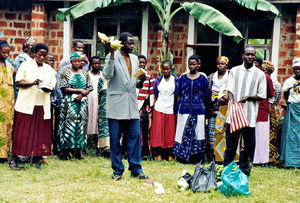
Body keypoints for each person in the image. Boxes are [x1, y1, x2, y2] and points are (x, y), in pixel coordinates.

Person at [103, 32, 147, 181]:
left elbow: (135, 82)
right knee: (115, 139)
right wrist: (111, 55)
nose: (132, 46)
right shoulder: (112, 56)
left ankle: (136, 168)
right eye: (129, 43)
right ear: (121, 43)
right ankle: (117, 170)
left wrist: (141, 80)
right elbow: (107, 75)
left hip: (132, 104)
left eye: (133, 43)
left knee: (134, 137)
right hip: (116, 104)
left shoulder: (135, 59)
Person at [11, 43, 56, 169]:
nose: (42, 57)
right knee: (21, 132)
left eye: (44, 55)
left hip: (41, 105)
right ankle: (14, 158)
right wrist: (32, 83)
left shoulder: (49, 69)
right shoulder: (25, 65)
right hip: (26, 105)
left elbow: (52, 85)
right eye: (39, 54)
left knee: (39, 133)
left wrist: (47, 88)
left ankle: (37, 159)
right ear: (34, 54)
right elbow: (18, 82)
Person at [224, 46, 266, 176]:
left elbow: (262, 95)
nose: (250, 57)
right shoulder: (235, 71)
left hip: (249, 117)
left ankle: (244, 170)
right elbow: (230, 90)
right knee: (231, 145)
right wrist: (233, 104)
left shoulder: (260, 74)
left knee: (248, 146)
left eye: (252, 55)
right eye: (247, 54)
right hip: (234, 115)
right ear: (243, 55)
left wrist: (248, 97)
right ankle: (226, 170)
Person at [173, 55, 209, 163]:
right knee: (182, 132)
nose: (191, 66)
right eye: (189, 64)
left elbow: (206, 95)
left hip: (199, 110)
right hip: (184, 110)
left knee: (198, 133)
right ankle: (182, 157)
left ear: (199, 65)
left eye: (194, 64)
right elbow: (178, 93)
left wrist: (207, 110)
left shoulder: (203, 78)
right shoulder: (183, 77)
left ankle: (196, 158)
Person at [57, 51, 93, 160]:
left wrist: (82, 94)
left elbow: (90, 87)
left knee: (81, 125)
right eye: (75, 61)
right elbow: (64, 88)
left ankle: (79, 151)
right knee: (68, 125)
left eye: (79, 61)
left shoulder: (85, 73)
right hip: (69, 104)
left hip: (82, 104)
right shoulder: (65, 73)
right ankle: (66, 151)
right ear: (71, 62)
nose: (77, 63)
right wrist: (79, 90)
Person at [150, 61, 178, 161]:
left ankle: (169, 154)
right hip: (159, 108)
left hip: (170, 109)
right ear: (161, 69)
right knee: (158, 133)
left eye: (168, 69)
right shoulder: (158, 80)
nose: (165, 71)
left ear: (171, 69)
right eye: (164, 69)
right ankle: (158, 154)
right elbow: (156, 93)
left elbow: (177, 93)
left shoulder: (175, 80)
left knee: (169, 133)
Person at [207, 56, 231, 162]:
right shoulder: (211, 77)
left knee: (224, 131)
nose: (220, 66)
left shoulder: (230, 76)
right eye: (218, 64)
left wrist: (226, 98)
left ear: (227, 65)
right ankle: (213, 156)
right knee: (212, 132)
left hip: (226, 107)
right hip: (214, 107)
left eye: (223, 64)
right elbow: (208, 93)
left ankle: (223, 156)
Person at [253, 58, 274, 166]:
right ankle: (252, 159)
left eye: (256, 65)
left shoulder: (265, 77)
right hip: (250, 110)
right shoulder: (249, 76)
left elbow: (271, 93)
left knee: (262, 136)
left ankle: (262, 160)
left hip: (262, 110)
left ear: (261, 67)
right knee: (251, 136)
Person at [87, 56, 110, 156]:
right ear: (91, 64)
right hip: (89, 99)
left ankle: (99, 145)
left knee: (99, 122)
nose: (96, 65)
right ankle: (88, 144)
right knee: (89, 120)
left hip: (100, 102)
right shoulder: (87, 74)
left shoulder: (102, 75)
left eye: (98, 63)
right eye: (94, 63)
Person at [280, 58, 300, 168]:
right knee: (291, 135)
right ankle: (291, 161)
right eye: (296, 69)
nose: (298, 71)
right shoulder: (289, 81)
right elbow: (286, 94)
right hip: (293, 109)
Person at [0, 40, 16, 164]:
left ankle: (5, 154)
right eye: (4, 52)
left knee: (8, 126)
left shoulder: (9, 65)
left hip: (9, 103)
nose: (6, 55)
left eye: (8, 53)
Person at [263, 60, 282, 164]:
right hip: (261, 108)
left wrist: (271, 107)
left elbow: (276, 99)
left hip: (270, 109)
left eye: (267, 70)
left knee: (270, 133)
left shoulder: (276, 84)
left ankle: (270, 157)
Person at [137, 55, 155, 160]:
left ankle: (144, 153)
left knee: (144, 130)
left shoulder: (149, 75)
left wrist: (150, 106)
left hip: (144, 106)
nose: (141, 64)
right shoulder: (134, 75)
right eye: (140, 62)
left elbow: (151, 91)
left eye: (143, 62)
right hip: (134, 105)